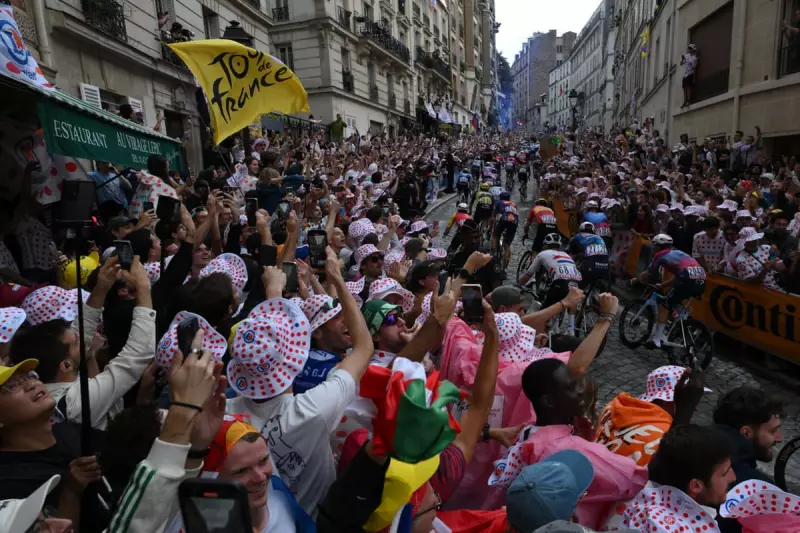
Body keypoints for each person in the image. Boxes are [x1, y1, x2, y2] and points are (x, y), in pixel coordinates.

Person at [225, 253, 373, 515]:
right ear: (294, 358)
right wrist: (337, 280)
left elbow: (266, 347)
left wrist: (273, 292)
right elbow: (363, 347)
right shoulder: (313, 410)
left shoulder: (224, 417)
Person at [10, 257, 155, 429]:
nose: (85, 339)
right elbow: (136, 355)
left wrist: (101, 287)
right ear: (65, 365)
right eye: (77, 342)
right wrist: (144, 288)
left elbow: (81, 328)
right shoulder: (75, 403)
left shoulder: (51, 373)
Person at [594, 365, 705, 467]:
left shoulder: (612, 407)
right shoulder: (665, 439)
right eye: (691, 402)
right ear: (668, 402)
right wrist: (684, 413)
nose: (696, 409)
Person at [713, 386, 784, 533]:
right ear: (746, 433)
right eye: (772, 431)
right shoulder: (760, 489)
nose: (779, 438)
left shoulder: (692, 448)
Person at [630, 234, 706, 348]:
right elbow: (678, 276)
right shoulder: (679, 254)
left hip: (687, 279)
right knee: (675, 302)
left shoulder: (660, 255)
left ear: (657, 247)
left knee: (663, 306)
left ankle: (656, 340)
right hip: (701, 279)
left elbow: (648, 274)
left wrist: (633, 281)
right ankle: (684, 324)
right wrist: (663, 285)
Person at [518, 233, 581, 336]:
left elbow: (528, 275)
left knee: (544, 313)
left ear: (545, 244)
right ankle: (571, 328)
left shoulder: (542, 254)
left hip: (560, 282)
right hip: (577, 281)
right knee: (571, 301)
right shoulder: (567, 255)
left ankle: (537, 337)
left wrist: (518, 285)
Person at [732, 226, 787, 292]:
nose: (754, 241)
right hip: (764, 292)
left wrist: (774, 257)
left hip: (780, 288)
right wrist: (765, 269)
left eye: (755, 239)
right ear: (744, 242)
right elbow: (750, 283)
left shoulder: (766, 248)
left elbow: (783, 268)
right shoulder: (741, 259)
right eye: (750, 240)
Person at [568, 222, 610, 292]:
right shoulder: (599, 238)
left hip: (590, 267)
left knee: (579, 286)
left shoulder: (577, 236)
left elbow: (572, 254)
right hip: (605, 267)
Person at [491, 191, 519, 268]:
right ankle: (505, 267)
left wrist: (491, 228)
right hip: (514, 222)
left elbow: (493, 218)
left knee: (495, 235)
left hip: (504, 219)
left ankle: (493, 256)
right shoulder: (514, 204)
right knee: (507, 244)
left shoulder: (498, 202)